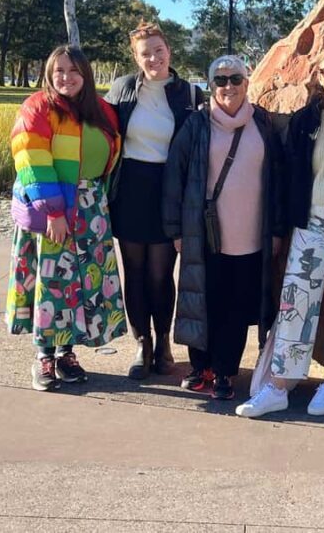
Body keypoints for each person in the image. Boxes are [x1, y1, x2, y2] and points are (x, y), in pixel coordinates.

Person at [235, 45, 324, 418]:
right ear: (317, 76)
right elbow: (288, 177)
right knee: (296, 298)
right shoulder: (304, 120)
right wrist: (282, 225)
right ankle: (280, 385)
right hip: (311, 218)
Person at [162, 55, 285, 401]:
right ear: (210, 85)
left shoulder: (262, 124)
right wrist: (176, 231)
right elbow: (175, 178)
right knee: (204, 301)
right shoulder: (196, 125)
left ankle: (226, 372)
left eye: (235, 79)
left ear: (247, 83)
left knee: (234, 308)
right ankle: (201, 367)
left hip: (250, 237)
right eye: (220, 80)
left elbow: (277, 182)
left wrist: (276, 230)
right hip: (205, 235)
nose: (228, 86)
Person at [6, 45, 126, 391]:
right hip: (54, 210)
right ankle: (44, 355)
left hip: (91, 210)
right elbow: (31, 158)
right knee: (53, 281)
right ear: (49, 73)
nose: (66, 78)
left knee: (81, 282)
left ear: (86, 75)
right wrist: (53, 212)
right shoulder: (38, 108)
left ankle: (66, 352)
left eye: (74, 71)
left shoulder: (101, 111)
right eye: (59, 70)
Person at [104, 21, 205, 379]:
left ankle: (164, 343)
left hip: (169, 189)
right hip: (131, 188)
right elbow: (99, 128)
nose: (153, 58)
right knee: (134, 271)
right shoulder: (121, 89)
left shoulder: (189, 94)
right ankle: (141, 343)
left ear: (169, 52)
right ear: (135, 57)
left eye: (158, 50)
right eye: (145, 53)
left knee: (161, 273)